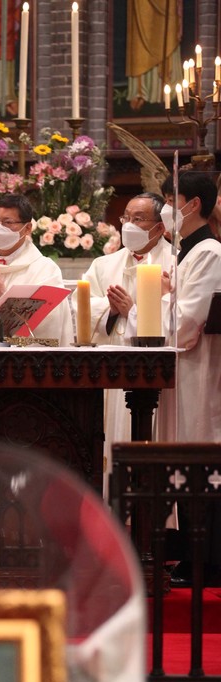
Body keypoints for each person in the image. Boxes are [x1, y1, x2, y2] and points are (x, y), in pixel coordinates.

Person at [130, 171, 221, 586]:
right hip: (179, 371)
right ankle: (187, 554)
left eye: (171, 199)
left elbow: (185, 325)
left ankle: (206, 560)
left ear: (194, 204)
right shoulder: (184, 251)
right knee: (181, 460)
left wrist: (162, 296)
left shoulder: (209, 253)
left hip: (199, 371)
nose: (167, 207)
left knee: (198, 455)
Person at [73, 192, 171, 487]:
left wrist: (132, 310)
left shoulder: (175, 263)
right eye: (125, 217)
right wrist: (111, 310)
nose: (129, 224)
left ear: (160, 227)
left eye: (138, 219)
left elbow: (177, 320)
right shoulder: (104, 265)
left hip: (150, 374)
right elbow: (82, 308)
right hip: (109, 370)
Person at [0, 194, 73, 346]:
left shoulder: (45, 270)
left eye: (8, 222)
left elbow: (52, 323)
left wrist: (4, 298)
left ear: (27, 228)